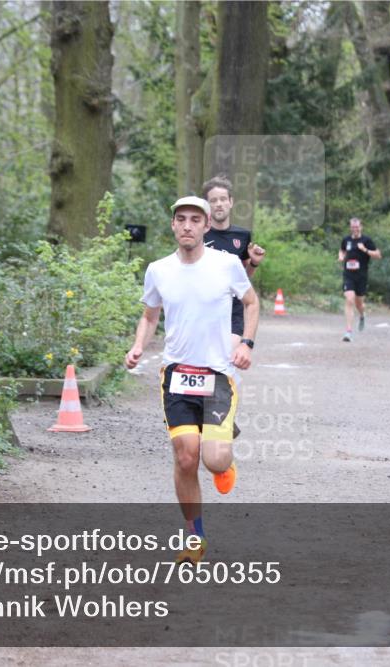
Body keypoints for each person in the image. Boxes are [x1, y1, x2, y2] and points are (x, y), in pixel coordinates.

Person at [125, 196, 259, 564]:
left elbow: (251, 303)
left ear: (205, 226)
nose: (187, 225)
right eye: (181, 219)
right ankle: (195, 538)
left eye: (195, 220)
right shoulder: (159, 270)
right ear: (173, 225)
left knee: (213, 461)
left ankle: (223, 457)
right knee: (186, 458)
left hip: (217, 375)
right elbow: (149, 315)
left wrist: (246, 343)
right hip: (177, 375)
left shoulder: (226, 265)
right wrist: (138, 346)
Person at [202, 175, 266, 348]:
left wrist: (254, 263)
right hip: (204, 309)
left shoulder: (243, 236)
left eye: (223, 199)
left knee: (228, 357)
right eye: (213, 200)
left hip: (232, 311)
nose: (219, 204)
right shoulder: (199, 235)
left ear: (231, 202)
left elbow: (243, 278)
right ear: (207, 205)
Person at [338, 217, 381, 342]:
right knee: (349, 299)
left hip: (361, 276)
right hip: (348, 275)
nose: (355, 229)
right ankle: (348, 332)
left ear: (361, 227)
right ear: (350, 227)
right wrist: (341, 256)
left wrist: (365, 250)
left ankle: (362, 315)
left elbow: (378, 255)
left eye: (357, 227)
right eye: (353, 227)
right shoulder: (346, 240)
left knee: (359, 304)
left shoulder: (366, 240)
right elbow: (342, 250)